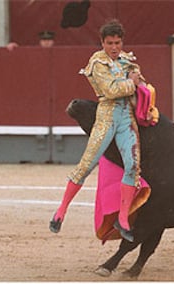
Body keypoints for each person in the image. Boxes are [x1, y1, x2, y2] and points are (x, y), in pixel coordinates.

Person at [49, 19, 142, 242]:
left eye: (117, 42)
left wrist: (135, 80)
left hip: (126, 118)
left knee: (133, 165)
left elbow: (140, 77)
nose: (114, 47)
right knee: (87, 164)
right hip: (107, 117)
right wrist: (132, 83)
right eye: (109, 43)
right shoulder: (97, 62)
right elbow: (111, 91)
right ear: (102, 42)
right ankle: (61, 211)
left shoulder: (127, 60)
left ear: (122, 42)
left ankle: (123, 219)